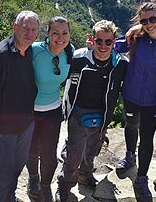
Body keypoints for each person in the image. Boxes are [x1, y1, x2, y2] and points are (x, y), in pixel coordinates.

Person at [55, 20, 128, 202]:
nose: (103, 46)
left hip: (103, 115)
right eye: (99, 41)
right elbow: (59, 57)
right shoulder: (79, 58)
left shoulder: (120, 65)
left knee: (93, 149)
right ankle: (64, 186)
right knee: (74, 153)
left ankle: (85, 174)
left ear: (114, 42)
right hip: (77, 113)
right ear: (92, 40)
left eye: (108, 42)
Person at [113, 0, 156, 202]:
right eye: (144, 20)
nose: (149, 23)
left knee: (146, 139)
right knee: (130, 125)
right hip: (130, 95)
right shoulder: (136, 38)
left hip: (151, 101)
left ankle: (142, 177)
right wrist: (131, 31)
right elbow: (115, 47)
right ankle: (130, 155)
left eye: (153, 19)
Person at [0, 10, 40, 202]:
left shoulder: (31, 51)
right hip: (5, 130)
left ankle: (9, 198)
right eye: (25, 28)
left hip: (25, 125)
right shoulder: (0, 55)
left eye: (33, 29)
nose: (29, 33)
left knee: (16, 169)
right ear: (15, 27)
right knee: (3, 174)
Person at [26, 16, 74, 202]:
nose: (60, 38)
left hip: (53, 111)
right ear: (47, 33)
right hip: (30, 111)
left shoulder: (69, 53)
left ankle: (45, 186)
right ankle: (33, 179)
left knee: (49, 154)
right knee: (31, 150)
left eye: (64, 33)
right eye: (55, 33)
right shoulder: (35, 51)